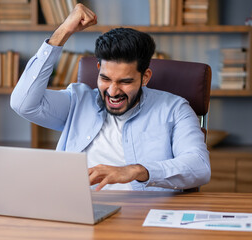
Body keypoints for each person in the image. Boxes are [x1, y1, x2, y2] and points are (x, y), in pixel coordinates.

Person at [11, 3, 210, 191]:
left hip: (143, 214)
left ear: (145, 77)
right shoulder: (77, 101)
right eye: (105, 78)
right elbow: (23, 104)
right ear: (98, 69)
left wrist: (135, 170)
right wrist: (63, 32)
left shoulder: (174, 109)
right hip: (79, 209)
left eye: (125, 82)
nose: (113, 91)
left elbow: (199, 167)